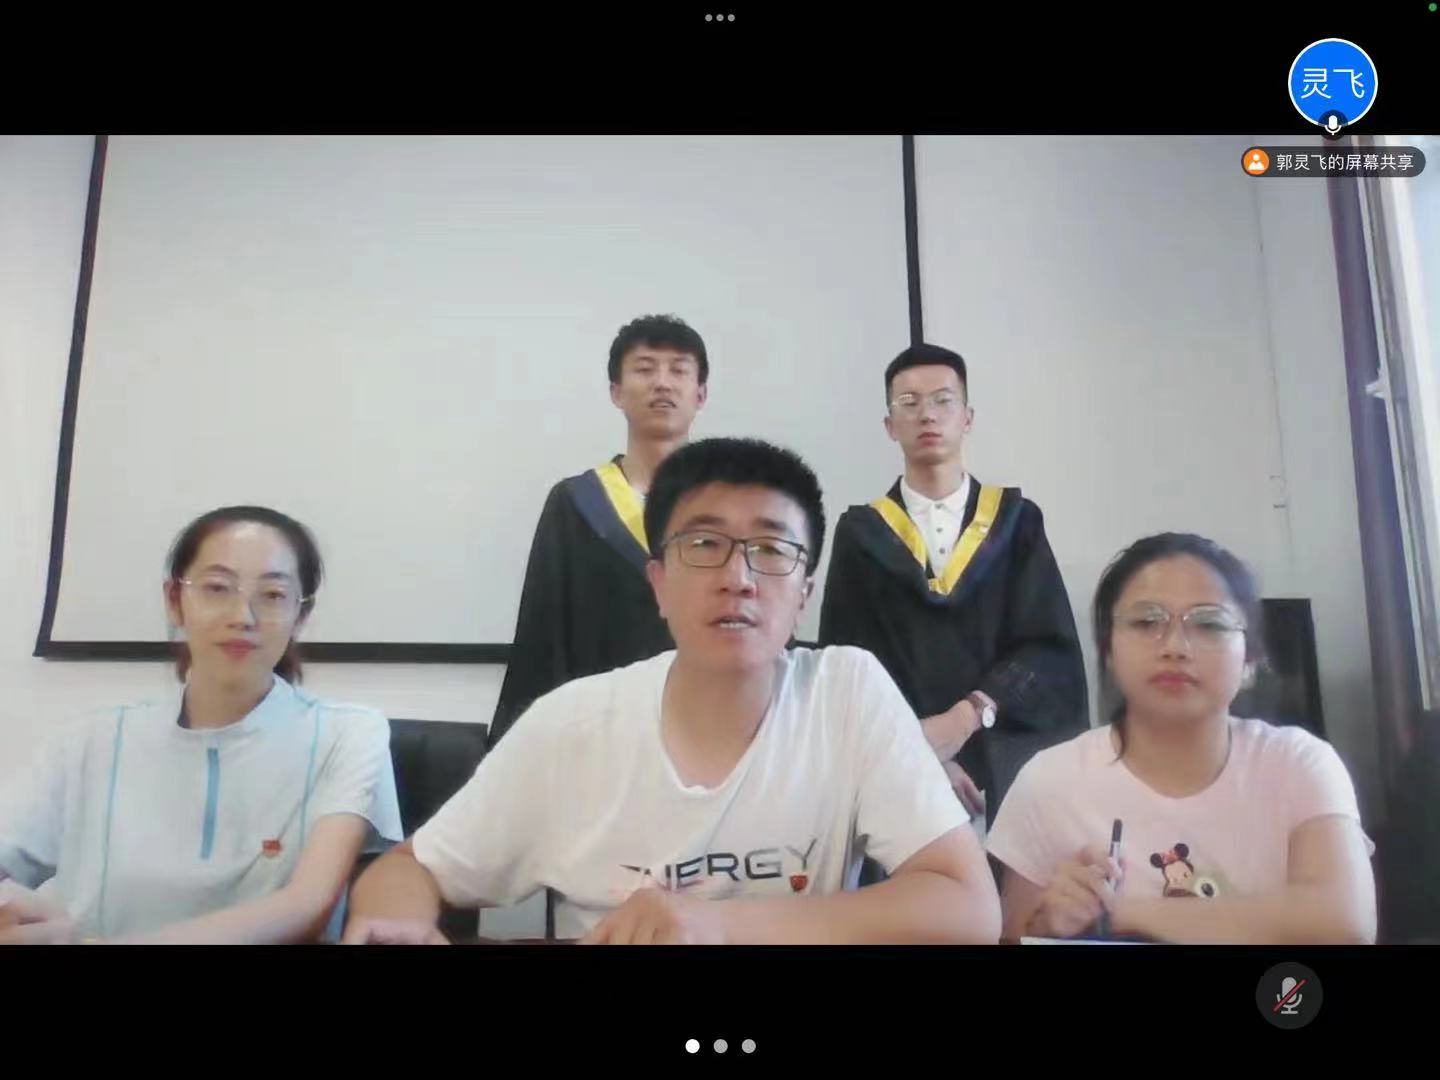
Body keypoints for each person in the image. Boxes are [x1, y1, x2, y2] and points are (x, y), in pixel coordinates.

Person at [345, 438, 1001, 945]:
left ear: (804, 594)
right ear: (658, 583)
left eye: (771, 549)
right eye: (705, 544)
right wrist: (398, 922)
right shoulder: (571, 725)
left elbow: (969, 908)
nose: (739, 577)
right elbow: (407, 869)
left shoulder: (847, 693)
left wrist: (718, 925)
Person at [0, 506, 402, 944]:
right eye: (217, 588)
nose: (243, 616)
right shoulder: (90, 741)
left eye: (272, 595)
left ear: (301, 615)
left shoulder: (348, 734)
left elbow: (306, 905)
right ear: (175, 600)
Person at [987, 532, 1377, 944]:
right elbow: (1015, 936)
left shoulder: (1298, 763)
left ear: (1250, 660)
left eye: (1209, 624)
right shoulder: (1048, 781)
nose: (1175, 647)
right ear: (1108, 651)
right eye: (1146, 622)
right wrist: (1048, 925)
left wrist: (1119, 913)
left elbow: (1344, 923)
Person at [819, 343, 1087, 828]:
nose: (927, 415)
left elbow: (1048, 648)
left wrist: (967, 716)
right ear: (890, 425)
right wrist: (922, 752)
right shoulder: (862, 535)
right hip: (900, 767)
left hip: (1006, 760)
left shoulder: (1016, 522)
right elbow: (849, 662)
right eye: (910, 403)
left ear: (967, 418)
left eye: (943, 400)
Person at [489, 314, 709, 748]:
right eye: (645, 369)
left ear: (700, 394)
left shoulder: (728, 508)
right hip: (599, 737)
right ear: (616, 392)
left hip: (710, 728)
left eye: (679, 370)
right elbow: (543, 637)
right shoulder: (577, 504)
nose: (662, 383)